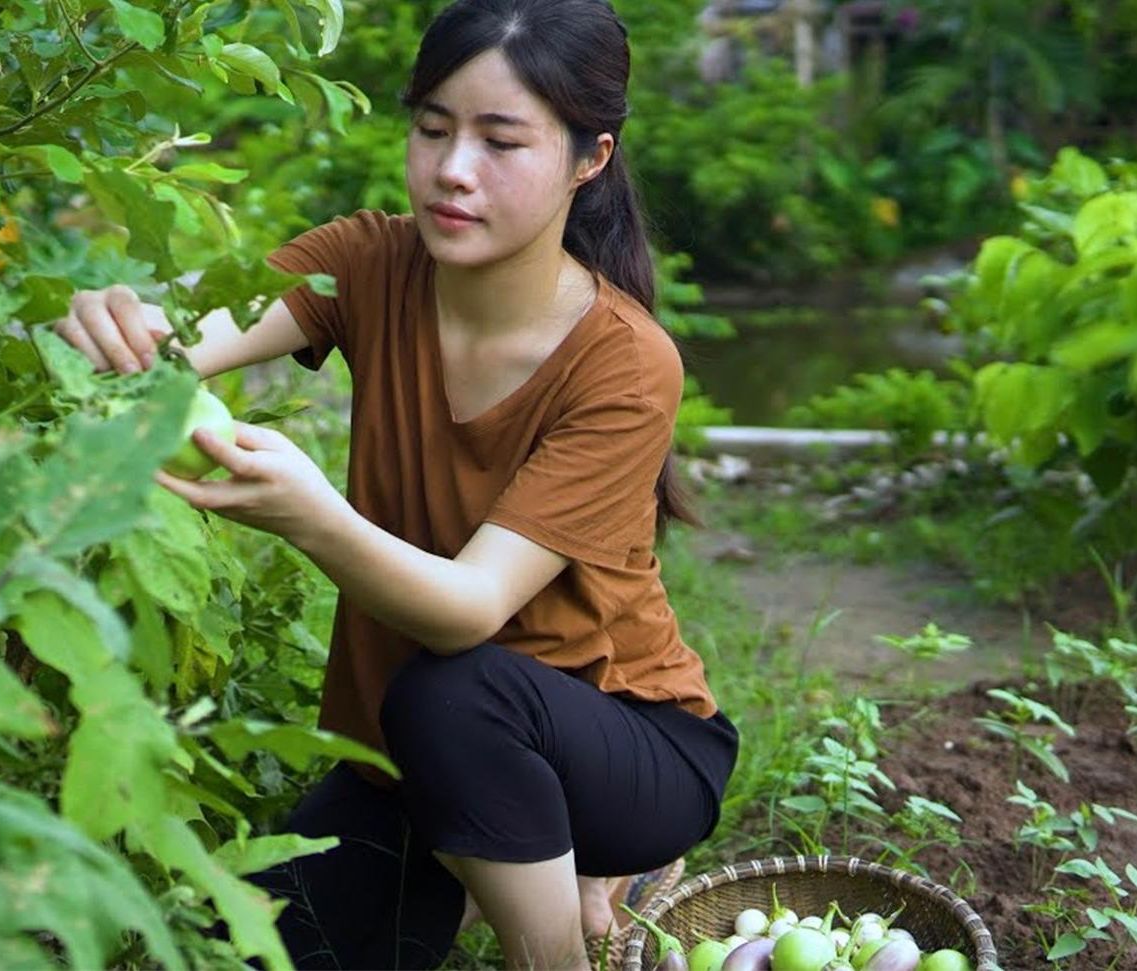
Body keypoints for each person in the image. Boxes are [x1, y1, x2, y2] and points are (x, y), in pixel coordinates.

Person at [52, 1, 739, 967]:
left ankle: (561, 942)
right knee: (254, 946)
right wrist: (112, 325)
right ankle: (509, 867)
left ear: (589, 161)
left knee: (452, 689)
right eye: (432, 130)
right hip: (404, 758)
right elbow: (181, 341)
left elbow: (468, 611)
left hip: (625, 746)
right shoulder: (367, 262)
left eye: (501, 141)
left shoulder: (624, 362)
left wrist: (309, 515)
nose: (453, 170)